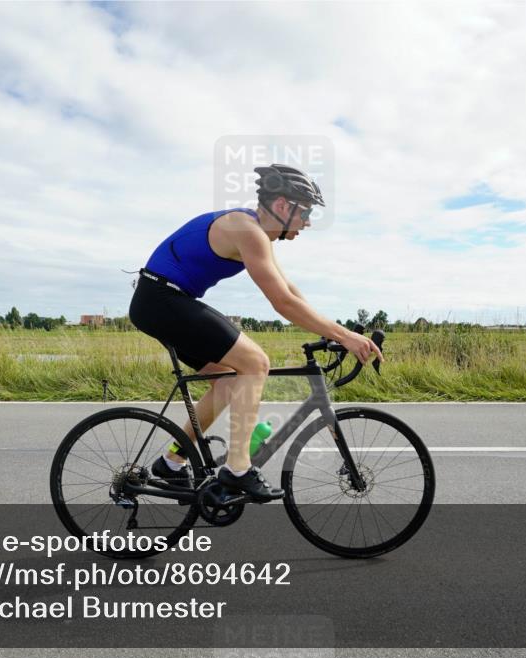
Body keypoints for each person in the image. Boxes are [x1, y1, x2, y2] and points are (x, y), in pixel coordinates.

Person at [128, 164, 383, 502]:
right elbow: (282, 304)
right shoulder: (247, 231)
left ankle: (171, 463)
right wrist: (347, 338)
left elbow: (291, 294)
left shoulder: (256, 234)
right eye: (305, 211)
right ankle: (237, 470)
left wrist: (338, 333)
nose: (307, 221)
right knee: (255, 362)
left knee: (228, 378)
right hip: (162, 299)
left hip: (165, 299)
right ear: (282, 206)